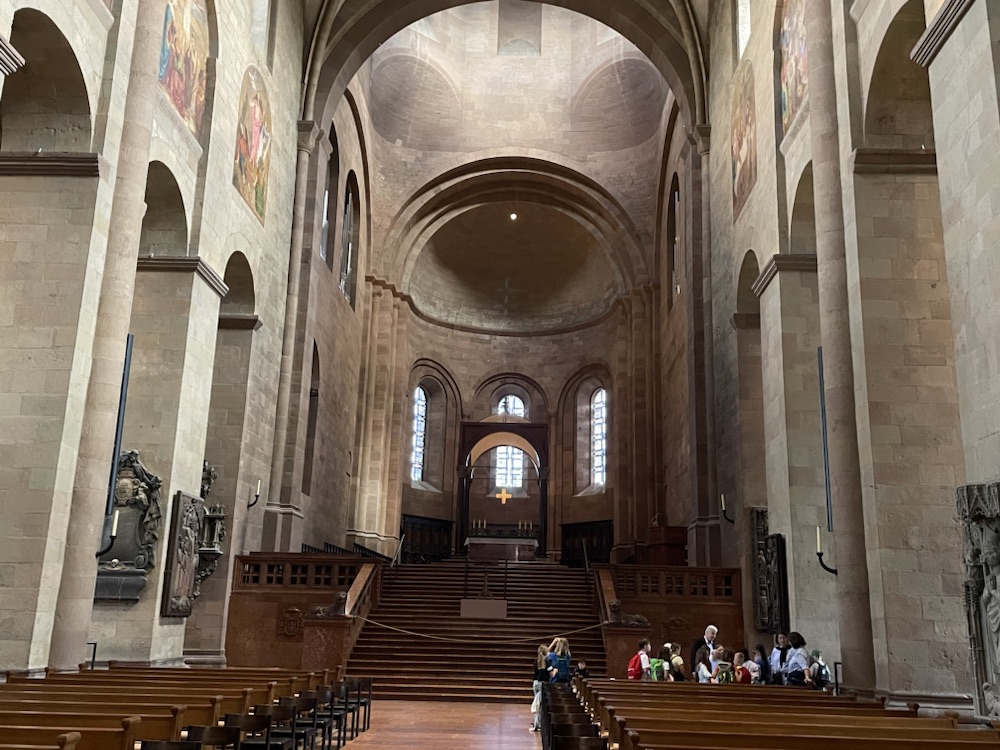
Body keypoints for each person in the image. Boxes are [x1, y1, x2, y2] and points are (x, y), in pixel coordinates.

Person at [530, 644, 547, 731]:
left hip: (535, 683)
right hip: (542, 684)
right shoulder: (547, 662)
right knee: (540, 705)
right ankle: (538, 724)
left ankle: (537, 723)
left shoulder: (536, 662)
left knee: (536, 704)